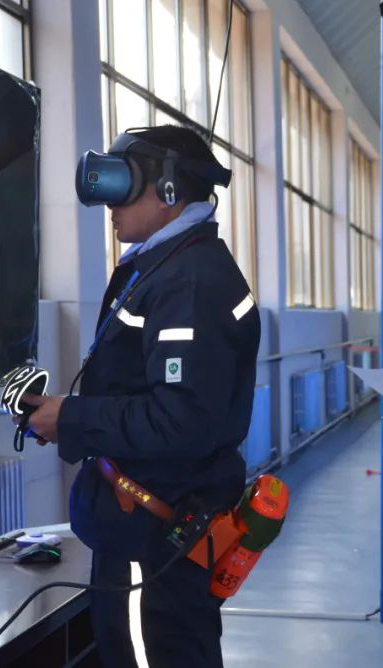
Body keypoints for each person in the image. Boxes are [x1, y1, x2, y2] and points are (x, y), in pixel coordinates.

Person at [21, 125, 260, 668]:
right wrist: (65, 419)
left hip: (152, 539)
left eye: (124, 184)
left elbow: (182, 421)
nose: (110, 205)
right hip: (151, 530)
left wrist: (73, 418)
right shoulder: (167, 266)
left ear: (169, 189)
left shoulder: (189, 281)